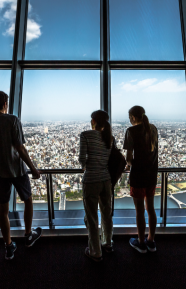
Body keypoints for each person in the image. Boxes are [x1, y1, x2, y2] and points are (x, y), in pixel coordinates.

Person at [0, 91, 42, 260]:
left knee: (3, 209)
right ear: (5, 103)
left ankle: (8, 245)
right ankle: (28, 235)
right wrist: (34, 169)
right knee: (28, 200)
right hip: (16, 169)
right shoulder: (12, 119)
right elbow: (20, 148)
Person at [79, 110, 114, 262]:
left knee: (92, 217)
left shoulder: (85, 135)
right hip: (106, 180)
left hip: (91, 180)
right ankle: (107, 242)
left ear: (93, 120)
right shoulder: (110, 138)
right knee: (106, 214)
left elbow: (82, 160)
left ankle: (95, 251)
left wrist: (86, 165)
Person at [124, 106, 158, 253]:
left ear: (132, 117)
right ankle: (151, 241)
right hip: (151, 174)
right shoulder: (153, 128)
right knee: (150, 209)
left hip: (138, 175)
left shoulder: (131, 131)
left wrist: (128, 164)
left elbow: (129, 158)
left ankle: (141, 242)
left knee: (139, 211)